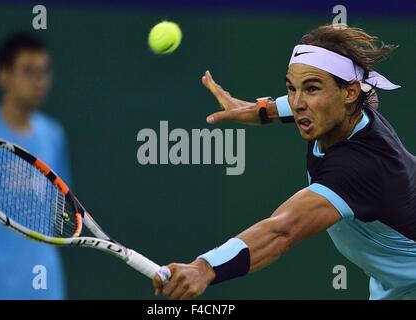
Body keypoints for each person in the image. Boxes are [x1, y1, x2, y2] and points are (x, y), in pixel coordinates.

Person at [153, 25, 416, 300]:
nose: (298, 102)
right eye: (292, 88)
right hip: (395, 284)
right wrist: (259, 110)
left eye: (312, 88)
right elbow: (358, 95)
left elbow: (281, 230)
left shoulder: (356, 169)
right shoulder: (349, 107)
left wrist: (204, 268)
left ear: (349, 93)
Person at [0, 32, 70, 299]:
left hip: (45, 286)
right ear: (4, 75)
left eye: (44, 71)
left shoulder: (54, 135)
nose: (39, 80)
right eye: (28, 71)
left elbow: (60, 212)